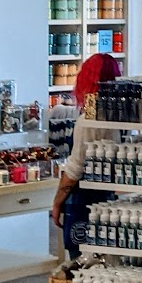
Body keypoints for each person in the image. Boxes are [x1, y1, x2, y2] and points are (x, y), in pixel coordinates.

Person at [51, 53, 123, 258]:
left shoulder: (89, 120)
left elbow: (75, 168)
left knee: (81, 261)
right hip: (109, 197)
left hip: (85, 201)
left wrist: (57, 202)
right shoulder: (121, 114)